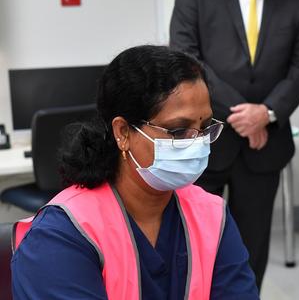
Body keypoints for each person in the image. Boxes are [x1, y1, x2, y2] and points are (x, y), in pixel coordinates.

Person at [11, 46, 259, 299]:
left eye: (205, 127)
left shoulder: (211, 215)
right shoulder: (60, 236)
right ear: (123, 133)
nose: (197, 143)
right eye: (177, 130)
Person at [169, 0, 299, 289]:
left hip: (264, 147)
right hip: (204, 142)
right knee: (193, 247)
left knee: (251, 249)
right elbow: (187, 59)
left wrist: (267, 113)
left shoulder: (293, 5)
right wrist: (245, 115)